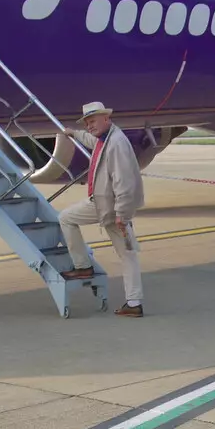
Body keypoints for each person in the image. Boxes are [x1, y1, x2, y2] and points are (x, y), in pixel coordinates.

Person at [37, 101, 146, 317]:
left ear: (107, 118)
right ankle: (131, 301)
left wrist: (122, 215)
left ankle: (86, 268)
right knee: (126, 254)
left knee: (68, 219)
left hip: (111, 209)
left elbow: (125, 183)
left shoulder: (116, 144)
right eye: (87, 122)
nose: (90, 126)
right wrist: (72, 133)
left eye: (93, 121)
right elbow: (90, 140)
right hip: (104, 205)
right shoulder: (105, 138)